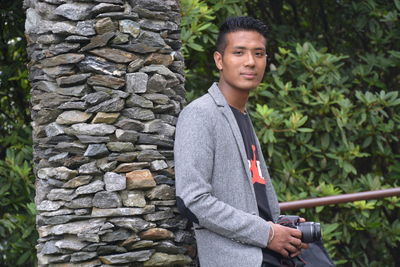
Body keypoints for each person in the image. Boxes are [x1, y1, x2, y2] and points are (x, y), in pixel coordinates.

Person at [174, 16, 309, 267]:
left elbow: (252, 200)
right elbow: (192, 199)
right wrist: (268, 234)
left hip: (269, 256)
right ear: (219, 60)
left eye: (259, 54)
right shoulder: (200, 114)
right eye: (239, 52)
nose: (250, 62)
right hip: (239, 259)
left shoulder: (242, 115)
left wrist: (283, 227)